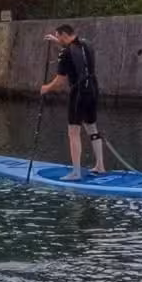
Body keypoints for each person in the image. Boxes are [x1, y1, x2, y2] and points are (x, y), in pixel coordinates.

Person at [38, 24, 105, 179]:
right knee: (92, 128)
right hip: (93, 90)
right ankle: (100, 166)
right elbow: (75, 49)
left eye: (58, 36)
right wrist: (56, 41)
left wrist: (46, 88)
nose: (58, 39)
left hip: (79, 93)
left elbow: (60, 81)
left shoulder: (65, 54)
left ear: (63, 35)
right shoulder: (87, 44)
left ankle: (75, 172)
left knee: (73, 132)